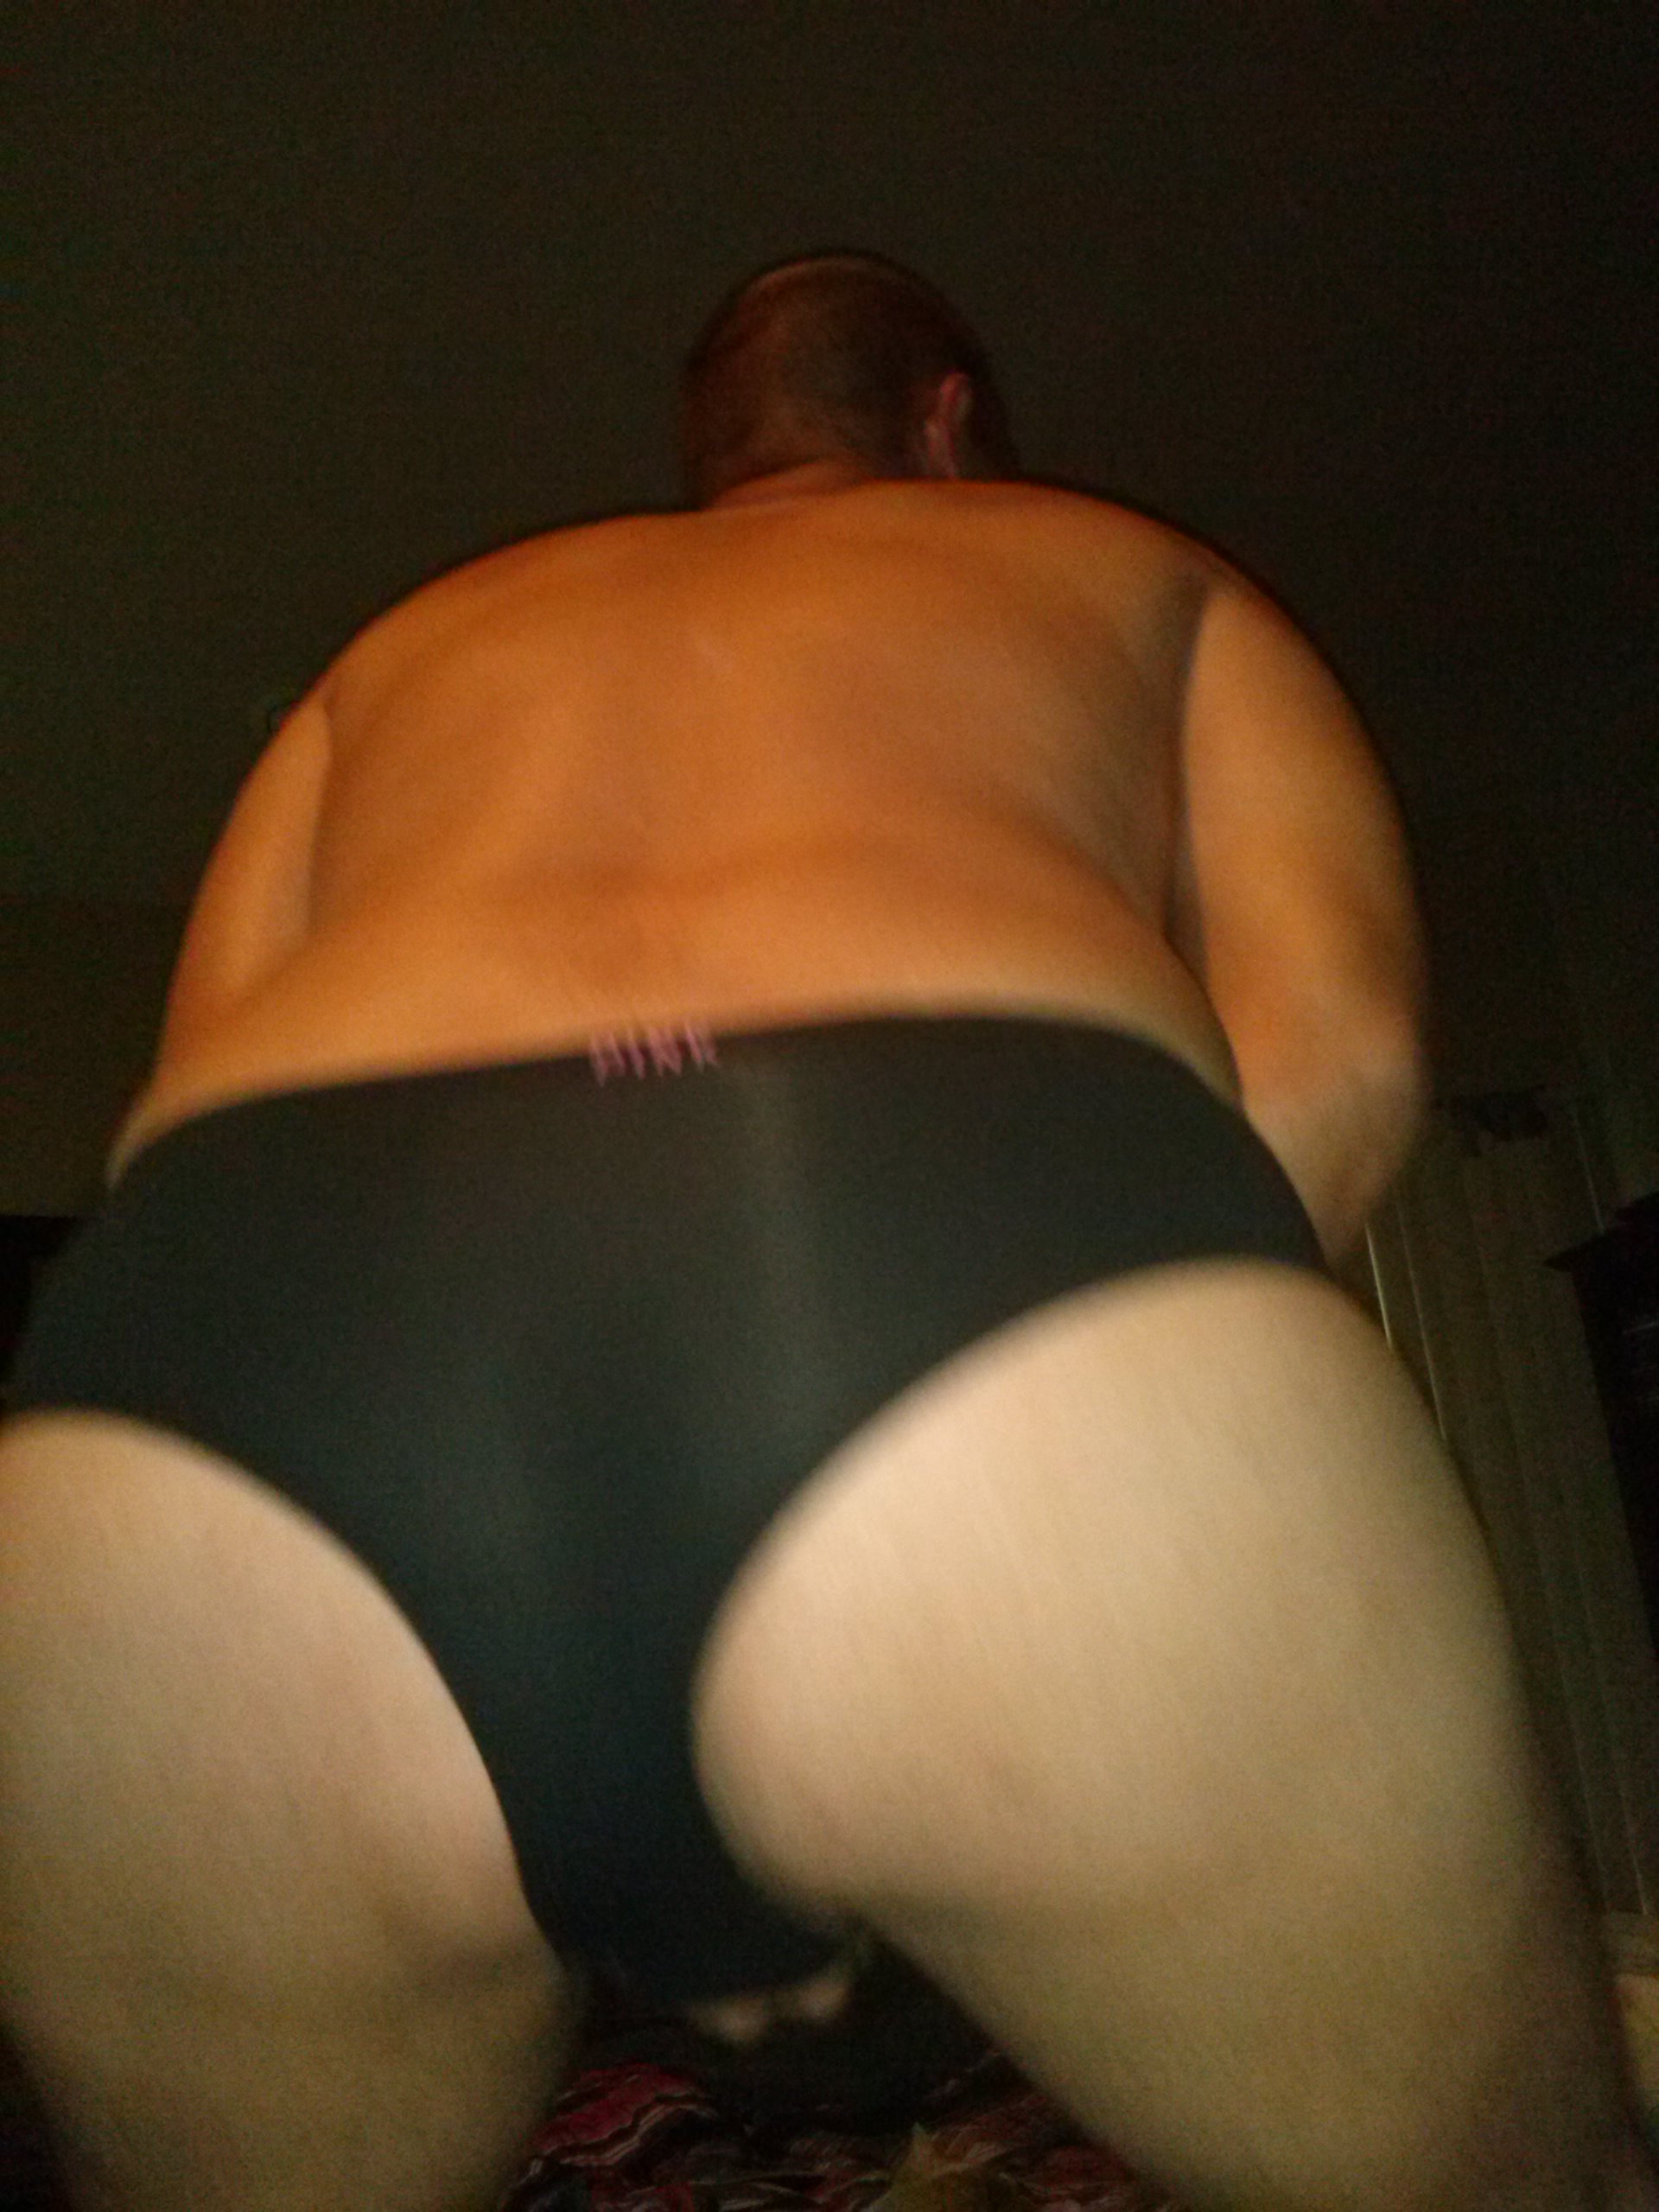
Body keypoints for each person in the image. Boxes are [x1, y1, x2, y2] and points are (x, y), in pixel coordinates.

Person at [0, 251, 1649, 2210]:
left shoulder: (397, 653)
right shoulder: (1135, 568)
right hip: (952, 1240)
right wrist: (1114, 1472)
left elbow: (176, 1108)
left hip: (230, 1368)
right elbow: (1342, 1059)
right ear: (950, 424)